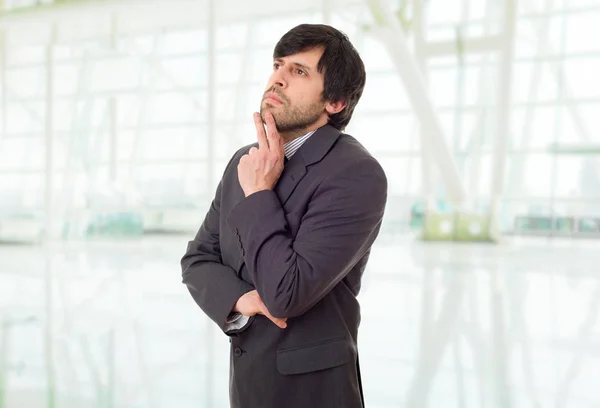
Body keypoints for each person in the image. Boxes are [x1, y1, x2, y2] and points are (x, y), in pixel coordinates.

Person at [181, 23, 387, 408]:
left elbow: (286, 294)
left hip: (313, 394)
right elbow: (197, 260)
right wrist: (240, 299)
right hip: (248, 388)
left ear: (336, 102)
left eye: (299, 71)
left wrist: (259, 192)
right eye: (278, 65)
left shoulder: (355, 173)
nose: (277, 79)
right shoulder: (244, 160)